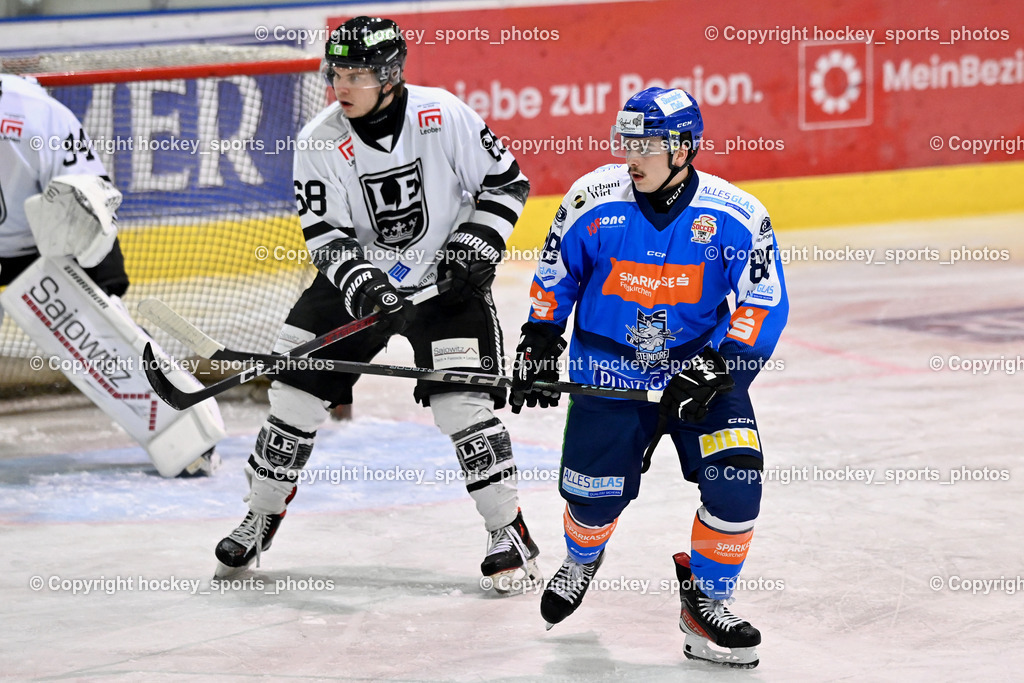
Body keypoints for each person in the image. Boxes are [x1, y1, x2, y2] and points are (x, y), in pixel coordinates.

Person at [214, 16, 540, 592]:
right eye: (336, 72)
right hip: (357, 289)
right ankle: (261, 514)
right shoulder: (319, 140)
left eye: (357, 73)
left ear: (390, 76)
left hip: (445, 284)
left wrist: (476, 243)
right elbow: (324, 233)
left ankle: (509, 531)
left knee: (461, 407)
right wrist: (367, 285)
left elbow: (507, 183)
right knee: (293, 395)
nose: (341, 85)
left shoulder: (442, 116)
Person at [510, 87, 788, 668]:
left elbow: (763, 299)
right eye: (626, 141)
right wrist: (540, 337)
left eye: (647, 144)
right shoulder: (592, 198)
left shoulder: (736, 214)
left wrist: (725, 365)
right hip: (607, 371)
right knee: (592, 504)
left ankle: (707, 601)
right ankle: (583, 559)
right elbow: (556, 271)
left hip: (699, 373)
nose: (631, 155)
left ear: (684, 148)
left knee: (738, 481)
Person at [0, 72, 222, 477]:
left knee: (105, 335)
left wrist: (96, 291)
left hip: (54, 236)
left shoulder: (39, 116)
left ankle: (187, 432)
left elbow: (89, 199)